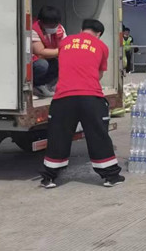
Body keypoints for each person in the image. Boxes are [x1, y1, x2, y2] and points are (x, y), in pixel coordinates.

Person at [40, 19, 124, 189]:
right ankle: (111, 177)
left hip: (63, 98)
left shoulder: (65, 42)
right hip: (90, 97)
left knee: (58, 136)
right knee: (98, 136)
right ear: (99, 34)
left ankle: (49, 178)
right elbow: (99, 74)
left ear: (81, 29)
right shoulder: (101, 47)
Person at [32, 6, 67, 98]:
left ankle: (46, 86)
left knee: (64, 62)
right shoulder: (34, 30)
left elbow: (66, 45)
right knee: (42, 65)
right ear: (41, 22)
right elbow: (40, 52)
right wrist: (61, 51)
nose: (53, 27)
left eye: (55, 24)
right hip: (35, 62)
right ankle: (34, 86)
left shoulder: (60, 29)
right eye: (50, 25)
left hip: (51, 58)